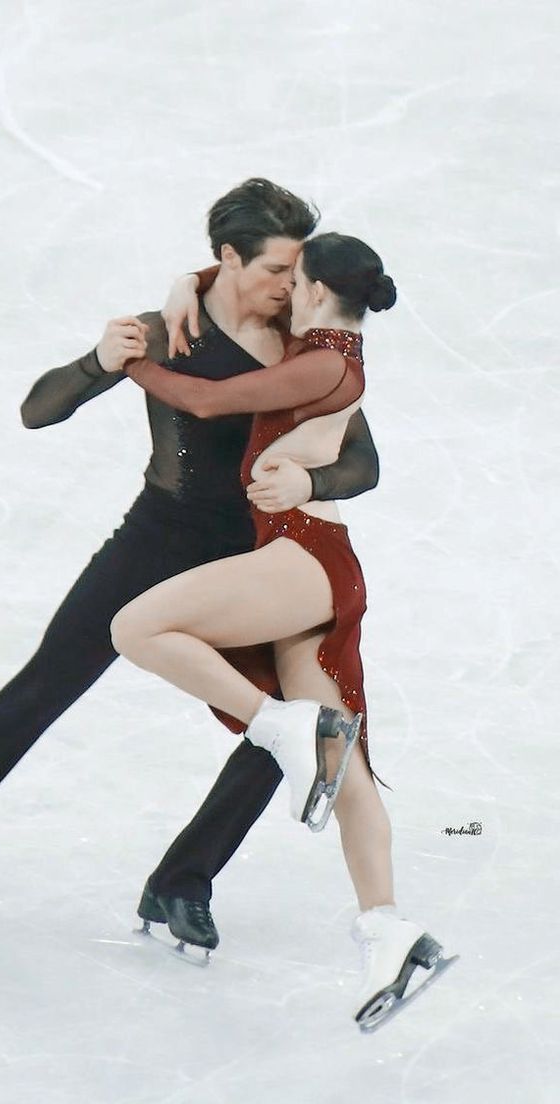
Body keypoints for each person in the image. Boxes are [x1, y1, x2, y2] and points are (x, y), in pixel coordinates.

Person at [0, 180, 380, 956]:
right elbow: (36, 411)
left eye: (297, 271)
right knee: (51, 678)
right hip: (157, 537)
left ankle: (182, 882)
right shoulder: (161, 329)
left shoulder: (301, 343)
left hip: (254, 555)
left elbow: (363, 460)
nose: (291, 285)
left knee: (289, 727)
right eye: (277, 268)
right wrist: (96, 360)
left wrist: (312, 483)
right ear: (227, 258)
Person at [110, 232, 454, 1029]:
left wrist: (131, 362)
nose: (281, 288)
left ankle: (282, 727)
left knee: (137, 625)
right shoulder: (323, 344)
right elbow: (232, 282)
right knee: (349, 765)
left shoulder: (328, 363)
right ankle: (388, 930)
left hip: (304, 557)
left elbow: (202, 401)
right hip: (308, 559)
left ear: (317, 290)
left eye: (292, 279)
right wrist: (184, 281)